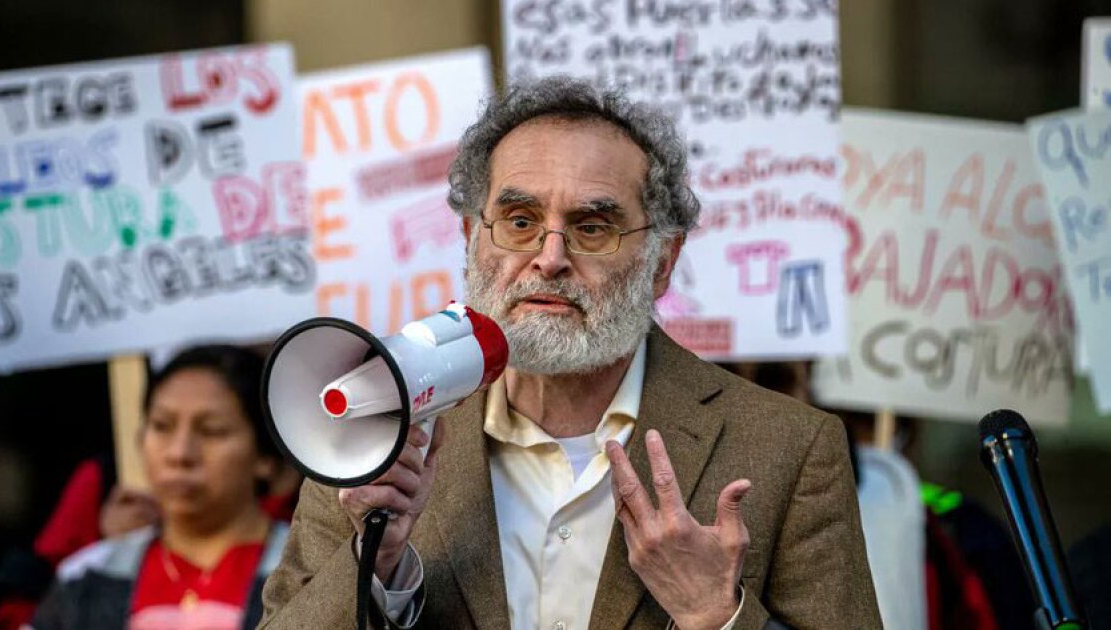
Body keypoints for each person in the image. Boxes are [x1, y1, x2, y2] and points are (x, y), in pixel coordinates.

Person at [259, 77, 880, 629]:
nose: (550, 258)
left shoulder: (790, 447)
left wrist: (716, 616)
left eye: (592, 227)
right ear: (473, 238)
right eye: (520, 220)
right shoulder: (370, 433)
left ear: (662, 262)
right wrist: (378, 566)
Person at [30, 345, 289, 629]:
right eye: (161, 426)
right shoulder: (87, 576)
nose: (179, 453)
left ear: (265, 455)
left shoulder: (310, 573)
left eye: (212, 430)